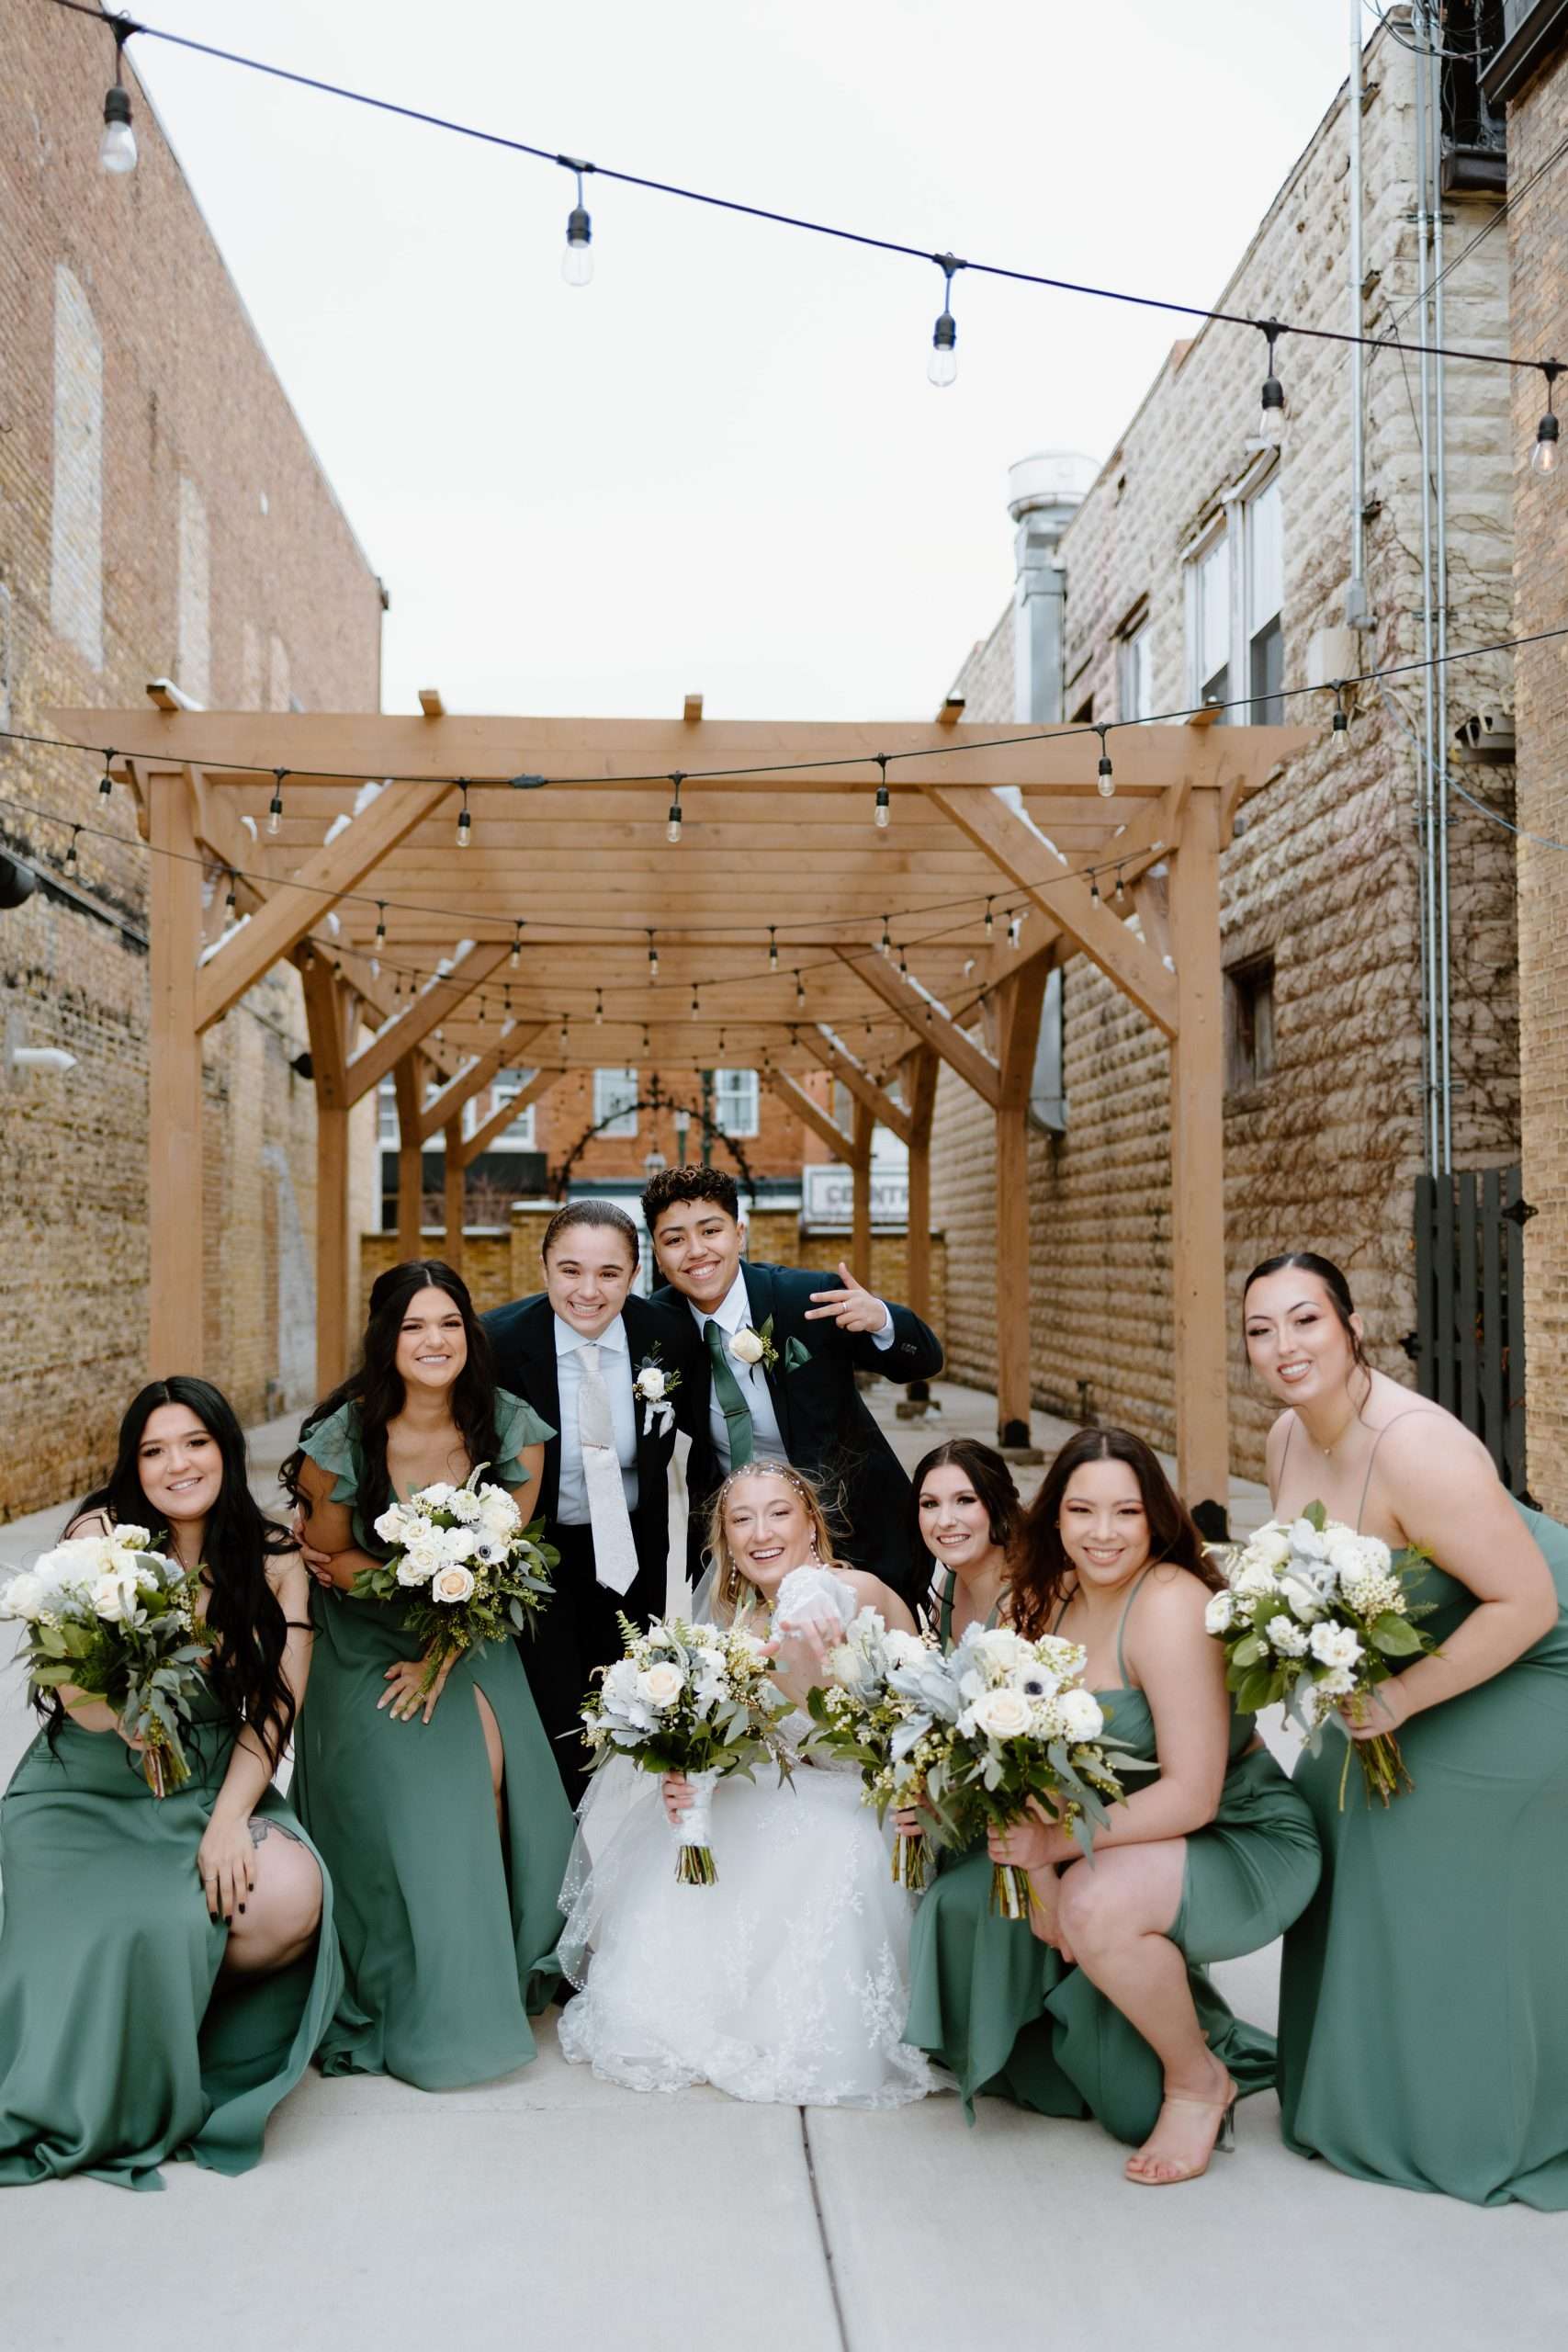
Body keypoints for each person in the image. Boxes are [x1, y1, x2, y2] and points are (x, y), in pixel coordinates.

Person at [904, 1425, 1321, 2184]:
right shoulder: (1041, 1596)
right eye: (1081, 1511)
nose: (1102, 1534)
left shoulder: (1167, 1603)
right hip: (1114, 1834)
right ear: (1053, 1518)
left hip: (1231, 1828)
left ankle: (1197, 2079)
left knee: (1092, 1907)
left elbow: (1192, 1794)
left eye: (1125, 1513)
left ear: (1154, 1518)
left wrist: (1054, 1854)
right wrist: (1035, 1878)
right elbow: (1018, 1753)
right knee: (1028, 1918)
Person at [1247, 1250, 1568, 2208]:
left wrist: (1397, 1700)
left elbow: (1527, 1602)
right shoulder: (1283, 1439)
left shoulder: (1418, 1447)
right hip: (1424, 1646)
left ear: (1351, 1327)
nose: (1284, 1347)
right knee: (1328, 1803)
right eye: (1261, 1330)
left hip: (1538, 1649)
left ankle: (1469, 2110)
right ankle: (1363, 2091)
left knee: (1415, 1819)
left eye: (1305, 1321)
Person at [0, 1378, 338, 2190]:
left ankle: (159, 2009)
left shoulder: (273, 1559)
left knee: (290, 1891)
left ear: (225, 1448)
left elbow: (273, 1710)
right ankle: (107, 2038)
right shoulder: (101, 1537)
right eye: (154, 1451)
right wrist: (127, 1709)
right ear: (133, 1466)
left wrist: (229, 1820)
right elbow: (74, 1701)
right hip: (88, 1787)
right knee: (131, 1921)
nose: (177, 1465)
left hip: (209, 1783)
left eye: (195, 1444)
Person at [557, 1463, 934, 2107]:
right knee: (701, 1823)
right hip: (791, 1785)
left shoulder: (848, 1588)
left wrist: (811, 1601)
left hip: (883, 1800)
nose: (761, 1531)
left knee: (826, 1841)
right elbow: (740, 1739)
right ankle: (713, 2017)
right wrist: (686, 1770)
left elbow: (825, 1605)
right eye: (741, 1519)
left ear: (811, 1524)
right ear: (725, 1542)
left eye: (779, 1513)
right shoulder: (735, 1629)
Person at [285, 1259, 575, 2089]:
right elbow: (329, 1557)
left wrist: (441, 1656)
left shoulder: (510, 1428)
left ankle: (500, 1961)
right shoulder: (340, 1442)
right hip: (366, 1638)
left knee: (495, 1777)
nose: (433, 1340)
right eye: (413, 1326)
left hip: (469, 1633)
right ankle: (417, 1981)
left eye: (448, 1323)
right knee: (429, 1788)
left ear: (469, 1335)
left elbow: (501, 1568)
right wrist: (401, 1577)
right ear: (386, 1341)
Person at [641, 1164, 943, 1605]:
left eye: (711, 1231)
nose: (696, 1251)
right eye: (675, 1240)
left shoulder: (806, 1298)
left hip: (856, 1530)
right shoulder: (657, 1328)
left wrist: (882, 1319)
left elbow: (924, 1361)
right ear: (656, 1252)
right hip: (749, 1547)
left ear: (739, 1234)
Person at [483, 1201, 701, 1804]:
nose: (587, 1290)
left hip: (636, 1552)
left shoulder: (668, 1334)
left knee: (642, 1709)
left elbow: (699, 1447)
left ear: (634, 1274)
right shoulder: (497, 1344)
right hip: (541, 1558)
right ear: (545, 1268)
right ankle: (566, 1841)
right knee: (560, 1718)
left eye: (608, 1273)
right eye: (570, 1270)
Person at [913, 1438, 1021, 1645]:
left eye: (965, 1500)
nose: (945, 1521)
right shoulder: (949, 1585)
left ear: (1000, 1506)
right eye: (930, 1504)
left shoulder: (1025, 1599)